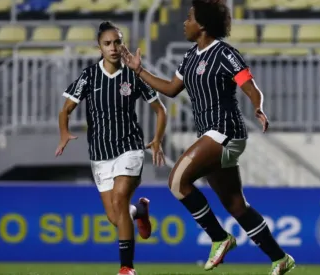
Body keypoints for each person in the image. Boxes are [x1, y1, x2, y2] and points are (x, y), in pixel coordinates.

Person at [120, 1, 295, 274]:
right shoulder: (190, 56)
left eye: (189, 17)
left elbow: (249, 85)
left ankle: (219, 238)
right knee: (236, 205)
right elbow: (170, 88)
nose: (184, 22)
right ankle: (280, 258)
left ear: (202, 25)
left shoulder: (225, 53)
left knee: (177, 181)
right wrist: (139, 71)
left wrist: (258, 106)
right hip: (212, 136)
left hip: (225, 130)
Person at [55, 21, 168, 275]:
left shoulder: (134, 74)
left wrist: (157, 138)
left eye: (118, 42)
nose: (114, 48)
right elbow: (66, 110)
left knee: (119, 198)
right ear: (99, 47)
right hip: (100, 154)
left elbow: (160, 110)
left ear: (123, 44)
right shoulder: (89, 76)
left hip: (130, 148)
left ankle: (126, 268)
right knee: (115, 216)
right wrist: (63, 132)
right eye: (108, 43)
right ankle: (139, 211)